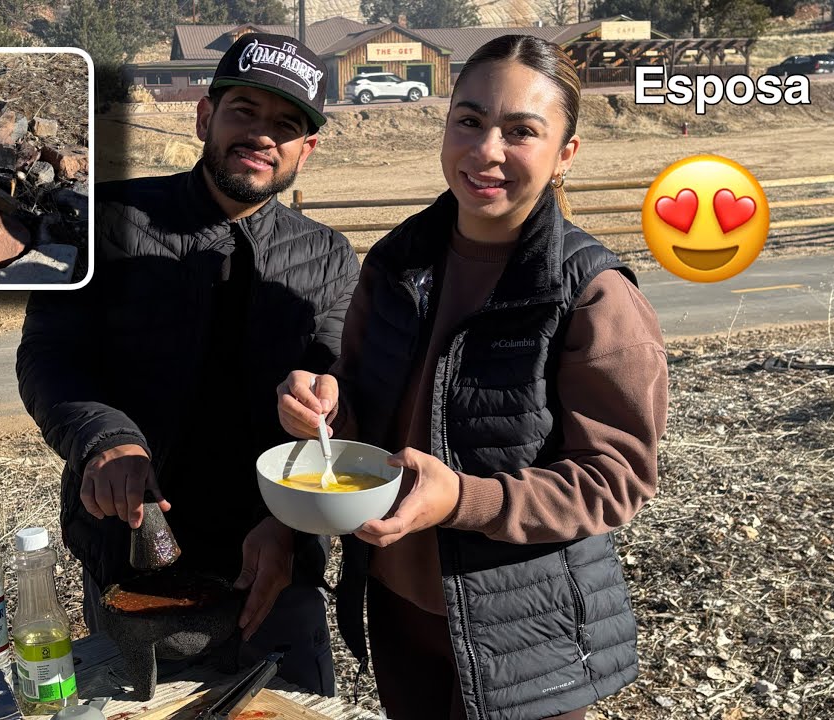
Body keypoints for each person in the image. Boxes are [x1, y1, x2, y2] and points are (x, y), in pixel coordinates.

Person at [276, 35, 669, 719]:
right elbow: (361, 396)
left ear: (565, 153)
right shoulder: (398, 261)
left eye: (521, 132)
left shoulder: (592, 293)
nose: (486, 150)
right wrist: (324, 409)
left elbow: (616, 481)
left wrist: (465, 498)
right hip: (398, 606)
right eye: (470, 120)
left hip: (527, 632)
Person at [16, 33, 358, 695]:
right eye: (244, 112)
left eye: (286, 125)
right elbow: (50, 355)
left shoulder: (329, 258)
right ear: (205, 118)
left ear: (306, 150)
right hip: (132, 548)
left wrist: (291, 524)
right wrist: (105, 441)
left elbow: (341, 390)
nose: (262, 136)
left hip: (274, 562)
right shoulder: (109, 223)